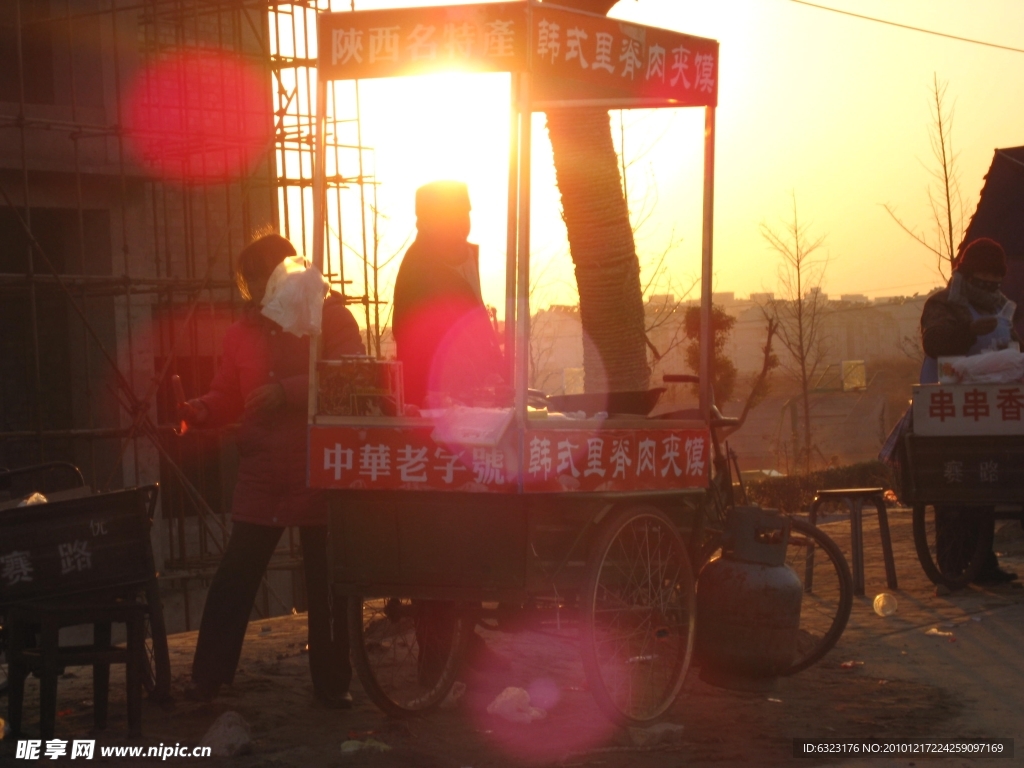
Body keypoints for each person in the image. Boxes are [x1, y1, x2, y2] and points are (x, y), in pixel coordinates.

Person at [179, 232, 364, 705]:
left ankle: (332, 683)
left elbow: (351, 377)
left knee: (327, 582)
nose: (259, 287)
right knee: (236, 574)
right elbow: (227, 392)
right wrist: (200, 408)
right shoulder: (242, 333)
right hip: (263, 472)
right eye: (252, 280)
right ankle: (209, 675)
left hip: (320, 465)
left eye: (266, 276)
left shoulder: (331, 318)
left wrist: (288, 390)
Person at [920, 237, 1019, 584]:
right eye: (983, 279)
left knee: (985, 483)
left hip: (989, 410)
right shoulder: (943, 303)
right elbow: (934, 342)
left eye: (996, 281)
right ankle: (953, 565)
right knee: (953, 486)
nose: (990, 287)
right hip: (948, 411)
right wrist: (968, 332)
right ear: (966, 273)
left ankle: (983, 563)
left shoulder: (1001, 308)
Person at [392, 180, 506, 408]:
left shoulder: (463, 257)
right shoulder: (420, 267)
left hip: (471, 397)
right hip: (436, 402)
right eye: (449, 216)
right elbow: (413, 336)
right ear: (427, 222)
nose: (459, 224)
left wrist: (495, 369)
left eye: (464, 215)